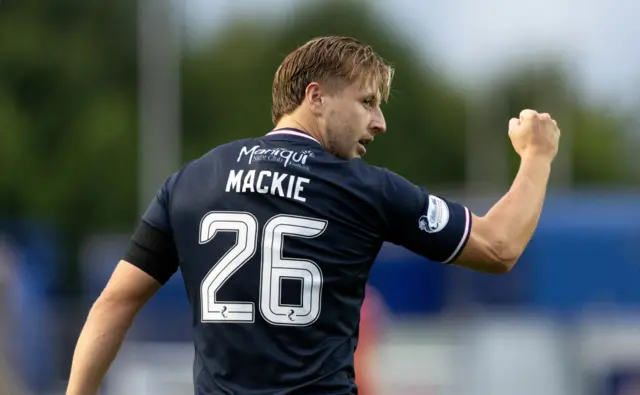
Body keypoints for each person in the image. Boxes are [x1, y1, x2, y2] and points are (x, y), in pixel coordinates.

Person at [65, 36, 560, 395]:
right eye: (367, 102)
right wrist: (536, 157)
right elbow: (499, 247)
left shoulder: (192, 179)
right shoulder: (365, 188)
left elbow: (113, 305)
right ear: (316, 97)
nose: (380, 123)